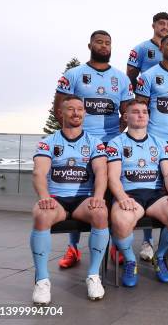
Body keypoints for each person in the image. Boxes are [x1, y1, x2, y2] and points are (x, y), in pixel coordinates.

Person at [54, 30, 133, 268]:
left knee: (109, 194)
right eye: (99, 41)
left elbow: (126, 111)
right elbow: (60, 108)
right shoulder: (74, 74)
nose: (104, 45)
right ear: (90, 44)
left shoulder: (121, 78)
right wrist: (73, 138)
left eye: (108, 42)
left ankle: (114, 246)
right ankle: (73, 248)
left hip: (109, 144)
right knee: (77, 191)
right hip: (81, 143)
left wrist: (115, 136)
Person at [31, 95, 109, 304]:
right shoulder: (48, 142)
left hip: (83, 199)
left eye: (80, 109)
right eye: (71, 109)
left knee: (101, 213)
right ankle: (42, 280)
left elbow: (101, 172)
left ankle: (93, 276)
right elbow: (39, 173)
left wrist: (99, 198)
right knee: (40, 214)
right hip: (56, 199)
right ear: (61, 114)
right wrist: (45, 197)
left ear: (85, 113)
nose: (76, 113)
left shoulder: (95, 143)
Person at [107, 100, 168, 285]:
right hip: (130, 195)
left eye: (144, 111)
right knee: (120, 220)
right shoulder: (115, 143)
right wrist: (122, 198)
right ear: (126, 117)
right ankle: (130, 260)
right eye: (135, 112)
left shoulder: (160, 143)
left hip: (154, 195)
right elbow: (112, 177)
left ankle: (159, 257)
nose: (141, 115)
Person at [126, 12, 168, 261]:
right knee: (152, 187)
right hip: (154, 138)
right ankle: (148, 241)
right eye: (161, 24)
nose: (165, 27)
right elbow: (140, 101)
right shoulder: (145, 64)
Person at [126, 12, 168, 88]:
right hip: (149, 97)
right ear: (153, 26)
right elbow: (130, 77)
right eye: (162, 23)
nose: (165, 27)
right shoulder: (141, 48)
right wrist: (141, 94)